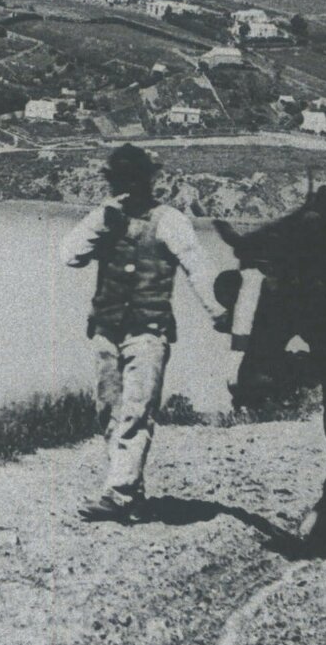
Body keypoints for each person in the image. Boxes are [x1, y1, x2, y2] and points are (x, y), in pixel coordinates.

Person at [60, 143, 229, 522]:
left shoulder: (170, 221)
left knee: (136, 412)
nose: (126, 188)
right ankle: (129, 494)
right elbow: (70, 255)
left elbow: (197, 267)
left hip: (148, 332)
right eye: (120, 181)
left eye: (133, 180)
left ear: (147, 181)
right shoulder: (105, 217)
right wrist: (103, 222)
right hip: (105, 330)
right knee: (108, 411)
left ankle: (119, 494)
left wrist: (218, 311)